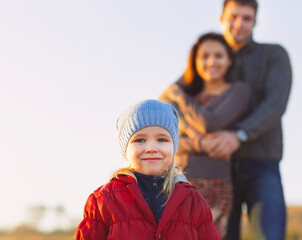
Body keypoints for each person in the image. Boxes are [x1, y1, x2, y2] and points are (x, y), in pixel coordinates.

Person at [199, 1, 291, 239]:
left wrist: (238, 135)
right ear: (222, 18)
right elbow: (179, 92)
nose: (239, 23)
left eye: (247, 18)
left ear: (255, 22)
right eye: (234, 16)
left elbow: (276, 103)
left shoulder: (274, 55)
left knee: (269, 235)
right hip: (218, 169)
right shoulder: (210, 59)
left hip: (262, 162)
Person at [74, 99, 221, 239]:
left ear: (174, 145)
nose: (151, 148)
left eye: (162, 140)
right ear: (125, 148)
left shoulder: (193, 202)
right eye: (140, 140)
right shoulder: (103, 201)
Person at [160, 32, 250, 238]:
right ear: (195, 62)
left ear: (229, 60)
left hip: (215, 183)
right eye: (204, 56)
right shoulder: (190, 97)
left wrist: (180, 97)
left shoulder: (238, 91)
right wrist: (201, 143)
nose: (211, 61)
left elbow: (209, 123)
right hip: (177, 181)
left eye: (218, 56)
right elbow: (168, 140)